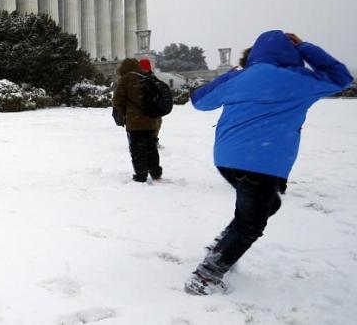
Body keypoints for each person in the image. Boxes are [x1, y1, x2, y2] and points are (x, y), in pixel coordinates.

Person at [184, 31, 352, 295]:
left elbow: (199, 100)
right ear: (292, 54)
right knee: (251, 224)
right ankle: (205, 277)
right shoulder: (300, 80)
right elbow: (341, 78)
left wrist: (233, 76)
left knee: (267, 205)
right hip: (260, 162)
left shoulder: (239, 78)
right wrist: (306, 47)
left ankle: (222, 246)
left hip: (227, 159)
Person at [112, 58, 162, 182]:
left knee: (137, 150)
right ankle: (156, 172)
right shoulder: (146, 76)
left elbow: (117, 100)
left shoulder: (125, 79)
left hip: (134, 122)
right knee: (151, 148)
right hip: (151, 120)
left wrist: (125, 114)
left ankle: (141, 175)